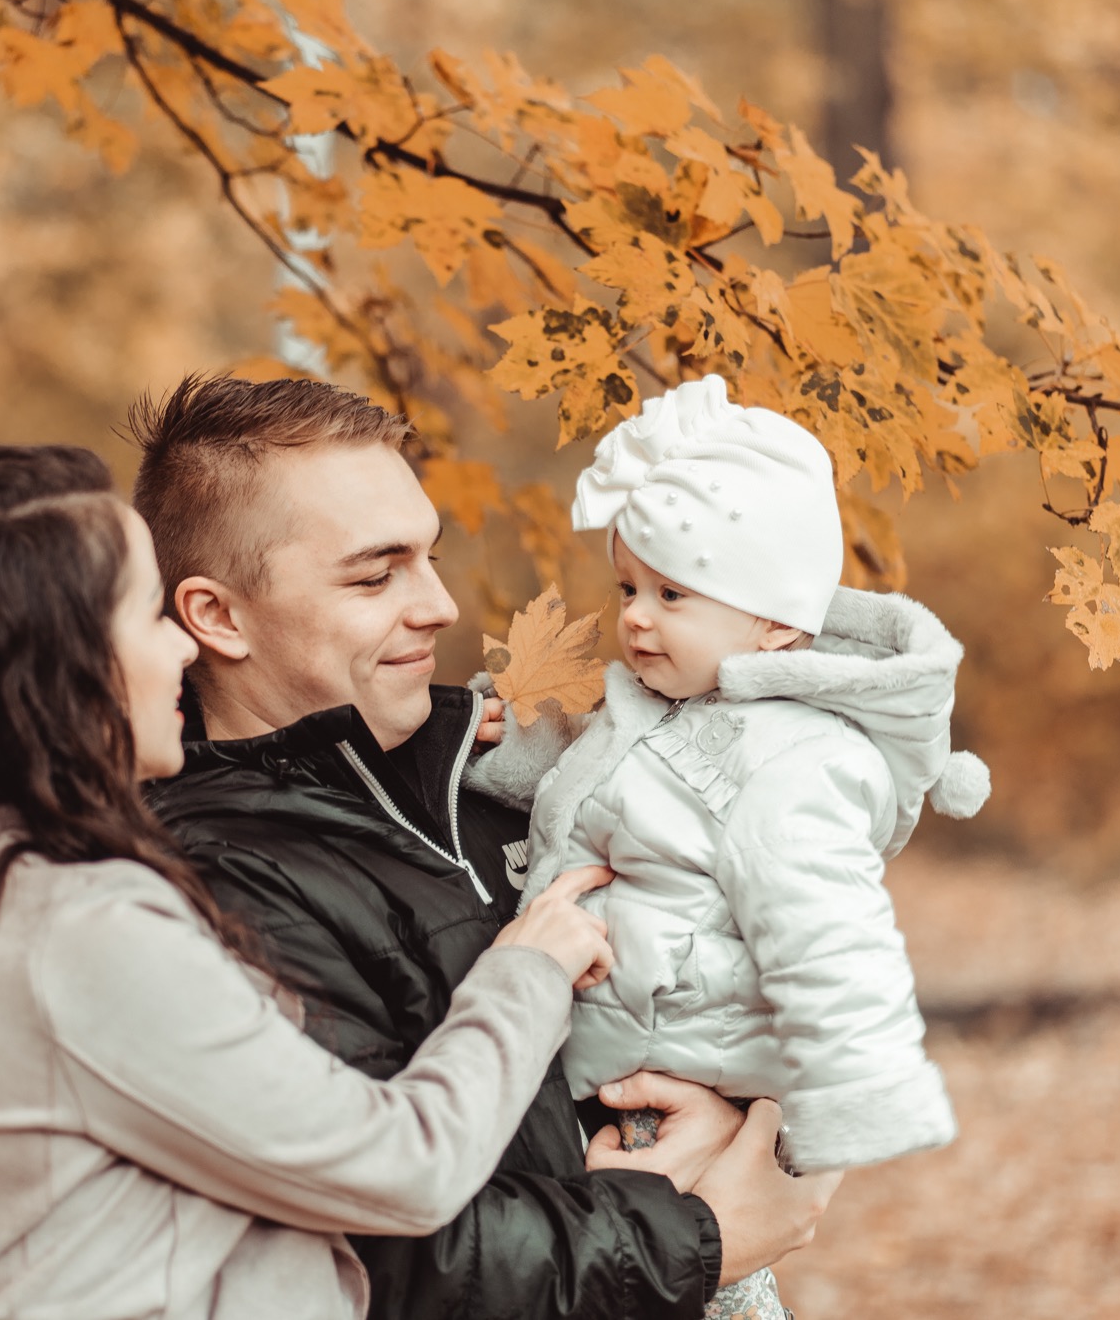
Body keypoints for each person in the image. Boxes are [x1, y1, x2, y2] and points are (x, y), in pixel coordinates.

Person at [0, 444, 637, 1320]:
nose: (180, 649)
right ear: (60, 669)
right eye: (147, 616)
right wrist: (526, 973)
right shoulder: (78, 927)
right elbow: (404, 1167)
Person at [134, 376, 839, 1320]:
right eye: (375, 574)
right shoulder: (202, 889)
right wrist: (693, 1232)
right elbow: (382, 1255)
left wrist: (735, 1117)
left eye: (429, 556)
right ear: (217, 616)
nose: (440, 605)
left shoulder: (506, 779)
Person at [485, 374, 989, 1320]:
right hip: (610, 1079)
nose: (635, 615)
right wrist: (464, 749)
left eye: (673, 592)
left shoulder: (790, 760)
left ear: (776, 622)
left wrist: (850, 1104)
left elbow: (831, 936)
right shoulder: (652, 702)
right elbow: (569, 775)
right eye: (628, 585)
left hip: (676, 1087)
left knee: (701, 1293)